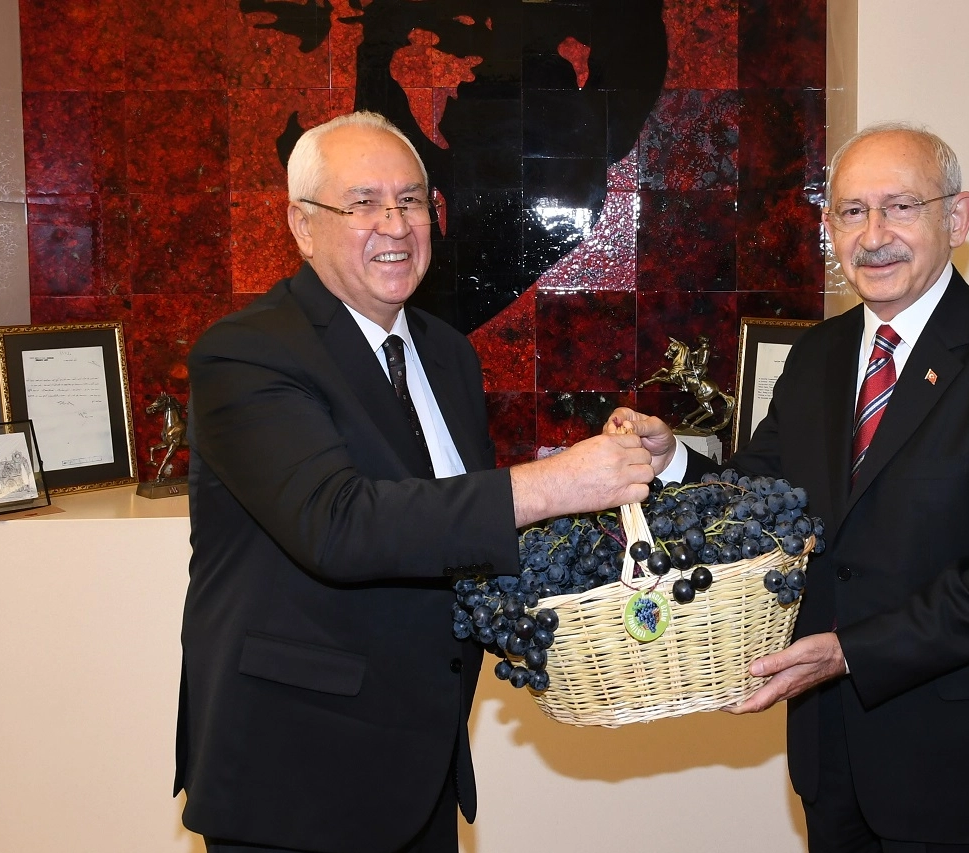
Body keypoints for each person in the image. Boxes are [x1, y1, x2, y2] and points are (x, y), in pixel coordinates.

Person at [174, 110, 656, 853]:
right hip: (296, 776)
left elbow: (458, 532)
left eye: (410, 201)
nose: (395, 225)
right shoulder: (246, 353)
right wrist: (556, 483)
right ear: (303, 226)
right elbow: (339, 524)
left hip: (422, 764)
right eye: (362, 203)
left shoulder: (446, 353)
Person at [613, 123, 969, 852]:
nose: (874, 235)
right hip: (831, 757)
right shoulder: (815, 354)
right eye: (852, 211)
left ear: (957, 218)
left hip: (962, 762)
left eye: (900, 207)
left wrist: (850, 650)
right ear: (829, 226)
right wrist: (673, 459)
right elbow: (761, 494)